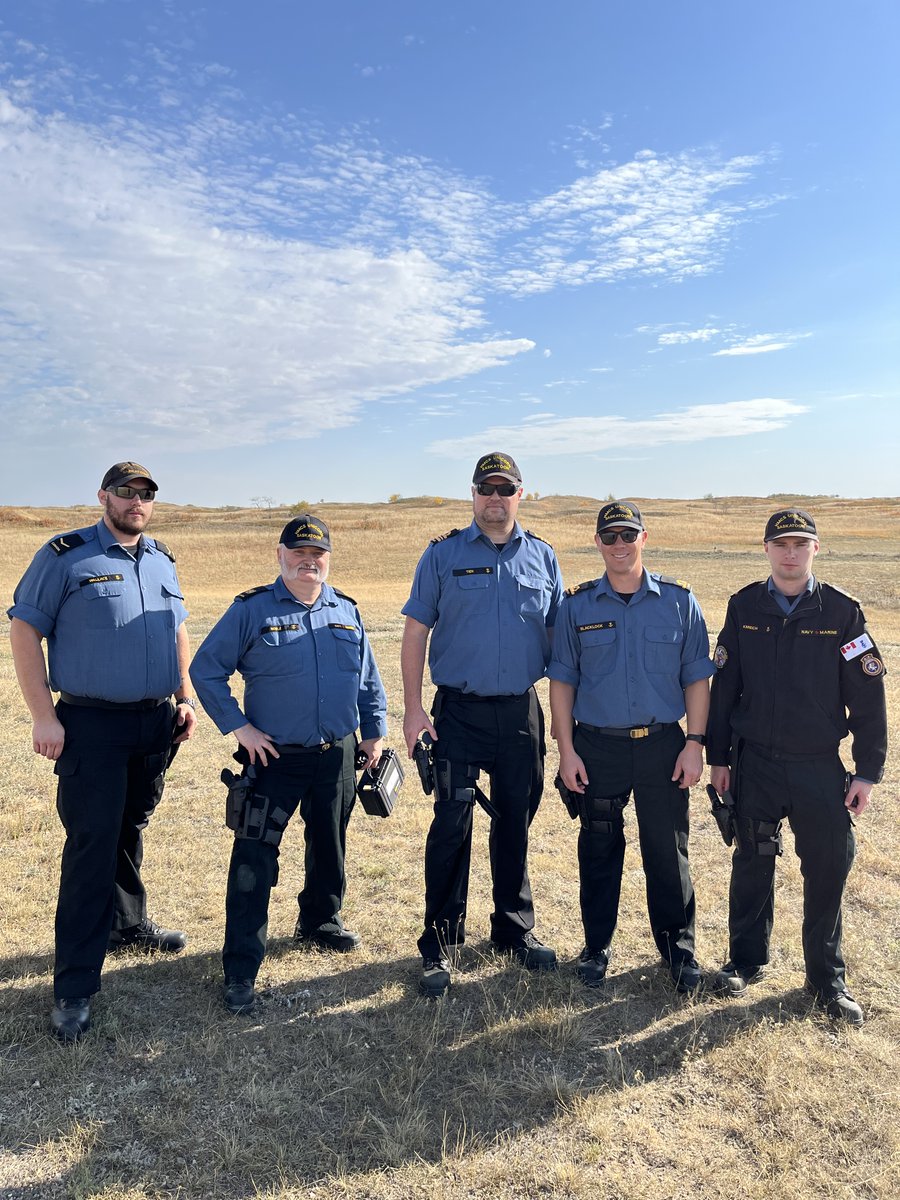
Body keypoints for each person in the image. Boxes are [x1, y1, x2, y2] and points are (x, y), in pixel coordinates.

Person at [8, 462, 197, 1042]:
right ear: (104, 496)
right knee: (92, 845)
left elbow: (177, 629)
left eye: (144, 495)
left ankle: (128, 924)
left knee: (130, 824)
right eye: (125, 492)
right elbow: (23, 630)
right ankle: (73, 987)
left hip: (154, 722)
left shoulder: (162, 558)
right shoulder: (65, 555)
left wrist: (184, 695)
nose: (135, 502)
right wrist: (44, 715)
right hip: (91, 722)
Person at [190, 514, 387, 1014]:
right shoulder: (252, 610)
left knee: (330, 841)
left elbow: (366, 677)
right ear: (280, 556)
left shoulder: (346, 610)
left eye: (318, 553)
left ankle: (321, 921)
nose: (309, 561)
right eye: (298, 553)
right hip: (273, 756)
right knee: (255, 857)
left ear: (328, 558)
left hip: (337, 752)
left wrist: (374, 731)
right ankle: (240, 965)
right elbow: (205, 670)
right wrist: (239, 727)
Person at [706, 508, 887, 1025]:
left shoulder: (842, 612)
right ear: (766, 549)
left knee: (828, 868)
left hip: (817, 767)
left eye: (800, 544)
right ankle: (745, 960)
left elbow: (868, 698)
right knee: (752, 863)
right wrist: (719, 758)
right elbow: (725, 689)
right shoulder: (743, 606)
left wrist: (867, 771)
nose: (790, 553)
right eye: (781, 544)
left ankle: (826, 979)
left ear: (815, 549)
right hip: (755, 764)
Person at [401, 452, 564, 997]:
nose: (495, 499)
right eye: (485, 489)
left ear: (521, 494)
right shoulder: (442, 555)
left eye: (505, 489)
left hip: (521, 711)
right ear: (473, 494)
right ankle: (441, 941)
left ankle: (513, 932)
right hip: (459, 714)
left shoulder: (542, 557)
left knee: (515, 820)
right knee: (452, 822)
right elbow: (416, 630)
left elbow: (561, 641)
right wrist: (413, 707)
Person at [548, 500, 714, 992]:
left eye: (628, 535)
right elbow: (562, 682)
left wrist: (695, 743)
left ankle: (678, 952)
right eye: (610, 536)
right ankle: (596, 946)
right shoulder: (576, 607)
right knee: (598, 848)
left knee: (668, 850)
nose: (619, 545)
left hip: (663, 746)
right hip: (597, 747)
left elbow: (697, 680)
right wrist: (566, 750)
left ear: (644, 537)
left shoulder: (680, 602)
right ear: (597, 542)